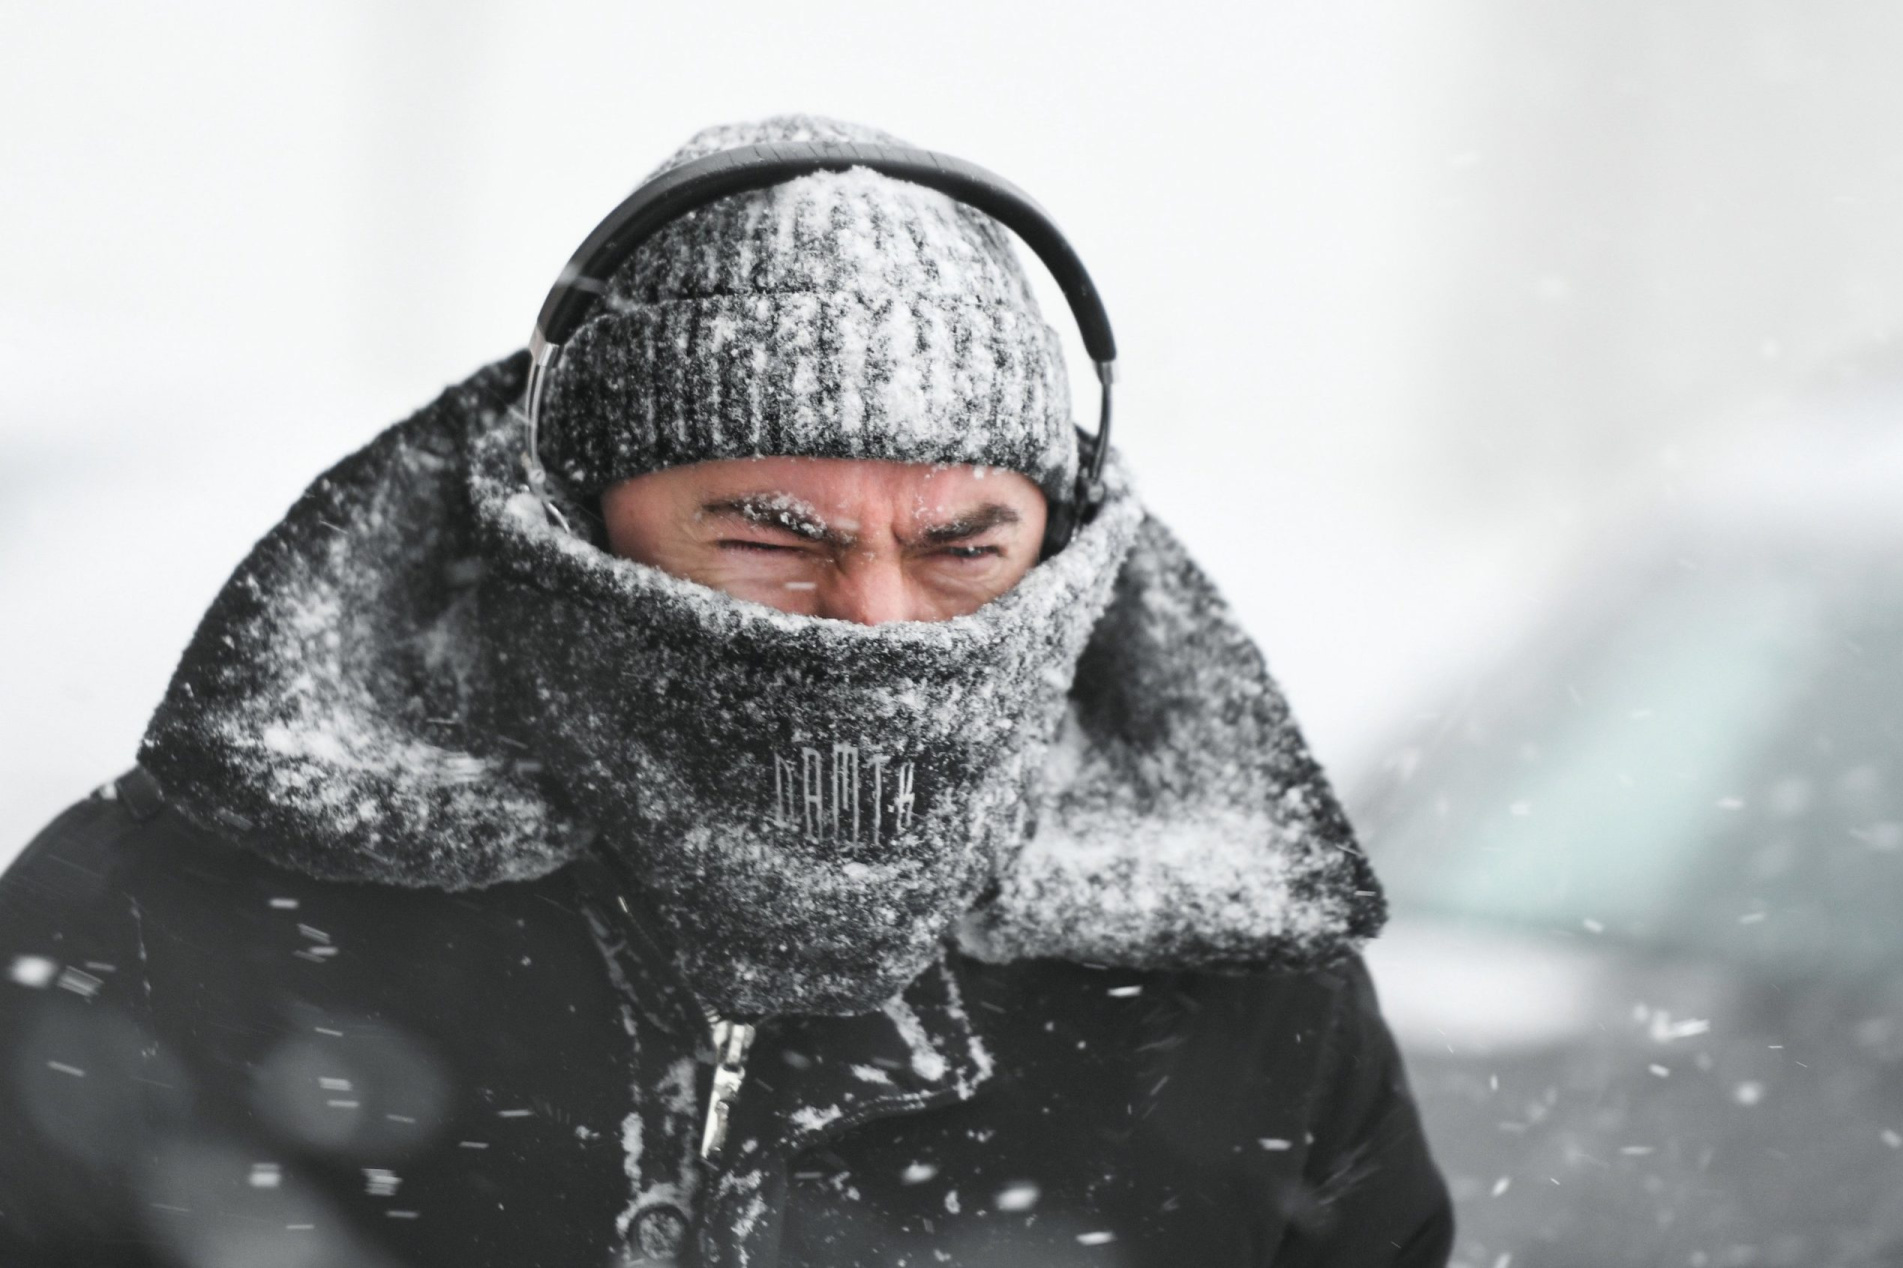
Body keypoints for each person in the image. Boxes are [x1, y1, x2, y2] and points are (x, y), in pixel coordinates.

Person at [0, 115, 1452, 1267]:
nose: (876, 624)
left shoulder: (1234, 1007)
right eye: (771, 540)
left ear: (1064, 555)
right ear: (567, 524)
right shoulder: (167, 923)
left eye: (965, 550)